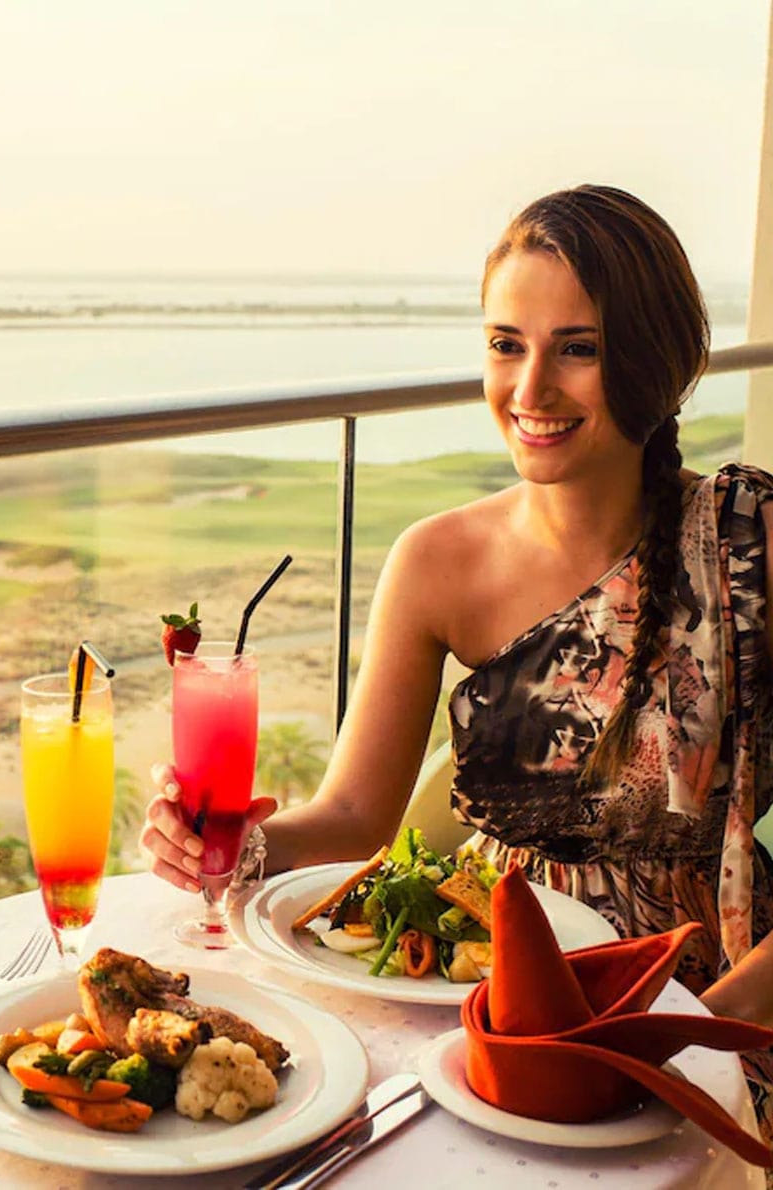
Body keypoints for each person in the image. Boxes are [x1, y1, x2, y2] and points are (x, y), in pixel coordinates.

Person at [140, 184, 773, 1142]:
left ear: (659, 357)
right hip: (476, 995)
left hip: (710, 1001)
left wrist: (697, 1032)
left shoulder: (749, 540)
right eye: (505, 343)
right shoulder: (435, 561)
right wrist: (230, 846)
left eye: (580, 347)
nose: (529, 391)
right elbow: (357, 816)